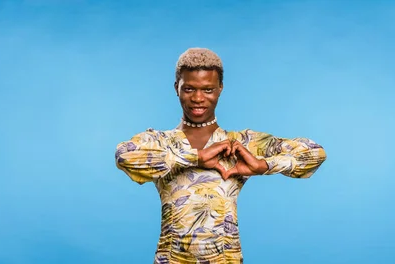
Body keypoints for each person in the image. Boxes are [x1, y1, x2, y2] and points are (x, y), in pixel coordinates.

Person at [114, 47, 327, 264]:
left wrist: (263, 165)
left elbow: (314, 153)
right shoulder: (160, 142)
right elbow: (124, 156)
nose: (198, 98)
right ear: (176, 88)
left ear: (220, 89)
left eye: (208, 90)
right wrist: (194, 157)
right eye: (189, 89)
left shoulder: (240, 144)